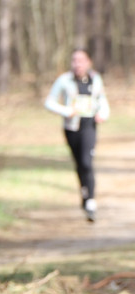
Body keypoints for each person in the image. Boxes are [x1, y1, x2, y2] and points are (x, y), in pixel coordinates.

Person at [44, 48, 110, 222]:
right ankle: (85, 194)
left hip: (89, 125)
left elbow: (102, 100)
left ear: (88, 62)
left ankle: (91, 202)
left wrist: (103, 113)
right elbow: (49, 102)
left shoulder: (95, 79)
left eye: (81, 60)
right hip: (71, 127)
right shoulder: (64, 80)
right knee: (79, 163)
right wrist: (66, 111)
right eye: (74, 60)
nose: (77, 64)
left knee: (87, 162)